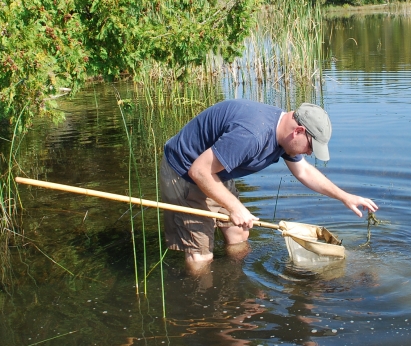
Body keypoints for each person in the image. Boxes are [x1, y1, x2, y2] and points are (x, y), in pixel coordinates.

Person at [160, 99, 378, 267]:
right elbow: (199, 171)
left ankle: (234, 283)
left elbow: (303, 171)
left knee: (238, 234)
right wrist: (236, 207)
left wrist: (345, 197)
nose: (309, 153)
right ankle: (202, 310)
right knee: (201, 256)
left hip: (215, 171)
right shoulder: (252, 135)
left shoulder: (284, 136)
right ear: (299, 131)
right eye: (310, 147)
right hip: (185, 172)